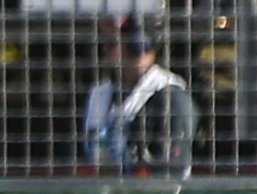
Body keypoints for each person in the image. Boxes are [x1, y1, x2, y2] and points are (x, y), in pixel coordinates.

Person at [79, 20, 196, 177]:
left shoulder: (170, 94)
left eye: (113, 43)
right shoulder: (99, 93)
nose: (106, 49)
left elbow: (170, 168)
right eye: (107, 43)